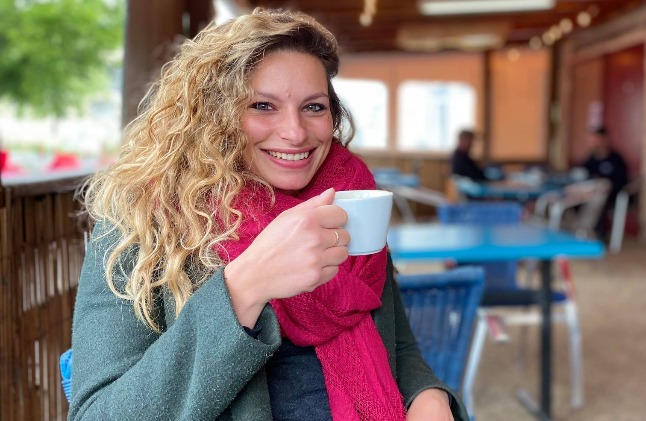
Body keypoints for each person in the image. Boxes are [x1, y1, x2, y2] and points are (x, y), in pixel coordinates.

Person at [69, 9, 465, 421]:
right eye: (263, 105)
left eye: (314, 107)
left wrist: (428, 396)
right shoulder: (142, 222)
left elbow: (398, 345)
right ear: (213, 116)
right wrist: (244, 287)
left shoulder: (348, 199)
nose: (295, 132)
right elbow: (98, 415)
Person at [575, 126, 629, 239]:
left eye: (596, 139)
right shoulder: (591, 158)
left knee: (601, 188)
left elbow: (620, 181)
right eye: (591, 140)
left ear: (604, 139)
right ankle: (576, 230)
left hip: (611, 195)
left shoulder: (616, 159)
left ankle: (584, 231)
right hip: (588, 194)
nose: (593, 143)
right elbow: (582, 174)